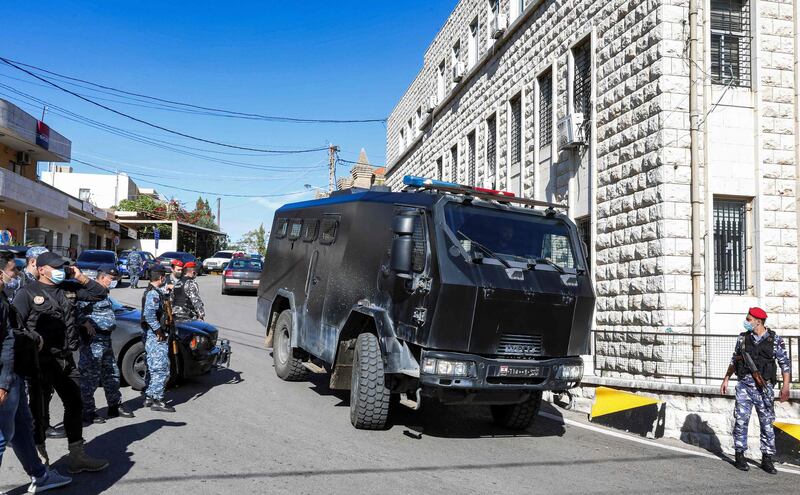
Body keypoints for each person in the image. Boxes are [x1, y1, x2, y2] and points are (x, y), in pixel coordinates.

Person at [12, 252, 109, 473]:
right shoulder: (27, 293)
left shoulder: (68, 288)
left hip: (65, 359)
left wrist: (81, 277)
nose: (60, 270)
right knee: (38, 410)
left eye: (62, 267)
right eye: (55, 267)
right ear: (42, 269)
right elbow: (15, 326)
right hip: (40, 362)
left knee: (75, 404)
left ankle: (76, 456)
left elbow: (101, 293)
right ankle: (39, 461)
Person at [0, 252, 72, 492]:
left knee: (21, 427)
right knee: (2, 436)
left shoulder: (2, 296)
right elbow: (7, 341)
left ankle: (40, 475)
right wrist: (3, 382)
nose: (17, 274)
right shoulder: (13, 296)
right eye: (12, 270)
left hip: (15, 372)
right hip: (5, 376)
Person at [720, 307, 791, 474]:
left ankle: (767, 458)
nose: (746, 321)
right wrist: (726, 378)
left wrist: (786, 386)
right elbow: (734, 359)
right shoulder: (743, 338)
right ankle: (739, 455)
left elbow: (785, 364)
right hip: (744, 386)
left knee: (766, 424)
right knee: (741, 421)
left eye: (749, 319)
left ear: (758, 321)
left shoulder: (774, 340)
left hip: (764, 388)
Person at [78, 265, 134, 425]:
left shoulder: (104, 294)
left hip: (106, 340)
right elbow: (75, 311)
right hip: (93, 341)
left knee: (112, 373)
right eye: (111, 279)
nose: (113, 282)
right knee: (90, 378)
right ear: (102, 278)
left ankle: (114, 405)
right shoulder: (88, 292)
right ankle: (87, 411)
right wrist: (84, 322)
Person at [141, 266, 175, 413]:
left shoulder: (155, 292)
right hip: (156, 336)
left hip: (153, 335)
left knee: (153, 367)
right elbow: (149, 315)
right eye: (164, 277)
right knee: (161, 368)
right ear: (161, 278)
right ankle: (158, 400)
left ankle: (149, 396)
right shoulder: (153, 294)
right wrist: (158, 331)